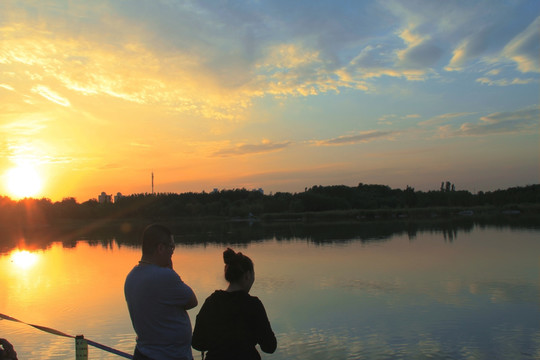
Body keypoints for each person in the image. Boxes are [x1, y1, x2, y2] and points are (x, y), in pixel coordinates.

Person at [125, 224, 198, 360]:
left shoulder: (131, 276)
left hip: (143, 353)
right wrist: (170, 271)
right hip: (169, 356)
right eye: (171, 247)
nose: (172, 252)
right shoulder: (165, 276)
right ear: (160, 248)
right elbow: (192, 301)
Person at [192, 248, 277, 360]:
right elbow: (269, 347)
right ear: (247, 275)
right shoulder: (253, 305)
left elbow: (198, 343)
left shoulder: (211, 302)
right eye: (253, 275)